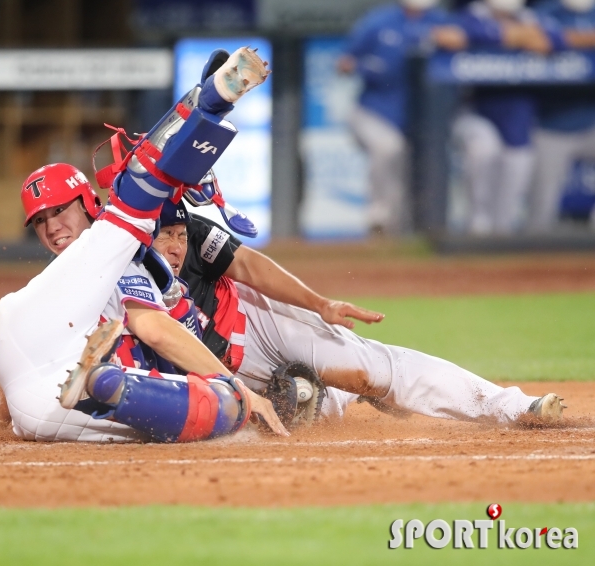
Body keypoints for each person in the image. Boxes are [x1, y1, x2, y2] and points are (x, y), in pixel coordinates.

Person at [0, 47, 288, 442]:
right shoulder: (124, 255)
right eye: (40, 221)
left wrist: (1, 413)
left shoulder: (67, 275)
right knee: (226, 406)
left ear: (87, 204)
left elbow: (23, 347)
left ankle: (100, 384)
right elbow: (156, 328)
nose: (51, 227)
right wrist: (240, 390)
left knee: (132, 212)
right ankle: (107, 385)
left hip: (29, 372)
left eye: (59, 212)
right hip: (68, 375)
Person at [149, 199, 567, 425]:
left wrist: (320, 304)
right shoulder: (119, 271)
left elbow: (246, 265)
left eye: (179, 234)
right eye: (164, 235)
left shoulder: (193, 237)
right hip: (219, 367)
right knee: (293, 407)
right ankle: (339, 395)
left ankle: (510, 406)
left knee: (370, 371)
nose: (175, 245)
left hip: (254, 318)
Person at [337, 0, 465, 234]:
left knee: (413, 167)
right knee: (389, 148)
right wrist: (359, 66)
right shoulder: (379, 21)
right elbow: (344, 61)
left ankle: (402, 228)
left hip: (423, 118)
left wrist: (451, 39)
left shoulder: (439, 20)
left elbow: (462, 40)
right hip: (373, 112)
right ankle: (379, 216)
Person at [441, 0, 565, 235]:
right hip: (473, 109)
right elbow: (454, 35)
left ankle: (502, 229)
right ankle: (477, 221)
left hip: (518, 112)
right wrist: (514, 37)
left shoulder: (531, 17)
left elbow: (554, 40)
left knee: (518, 162)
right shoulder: (471, 13)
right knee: (483, 150)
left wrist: (521, 36)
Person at [529, 0, 595, 232]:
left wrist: (567, 41)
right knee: (541, 211)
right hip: (551, 124)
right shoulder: (546, 12)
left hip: (590, 120)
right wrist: (586, 40)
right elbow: (536, 40)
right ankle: (532, 260)